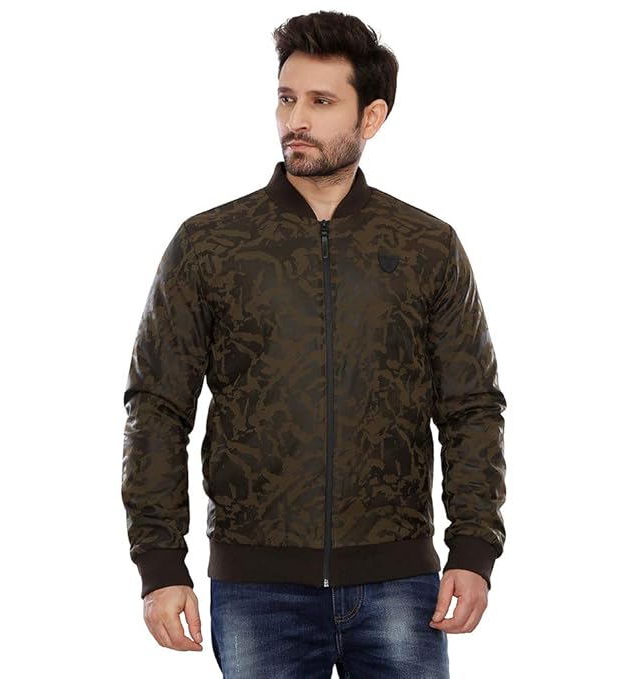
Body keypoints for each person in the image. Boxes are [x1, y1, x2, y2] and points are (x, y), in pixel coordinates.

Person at [121, 10, 507, 678]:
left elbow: (471, 406)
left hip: (399, 581)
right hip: (257, 586)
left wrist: (473, 549)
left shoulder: (425, 246)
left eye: (321, 102)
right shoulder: (211, 244)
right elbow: (156, 407)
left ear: (371, 116)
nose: (295, 119)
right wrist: (160, 565)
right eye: (286, 98)